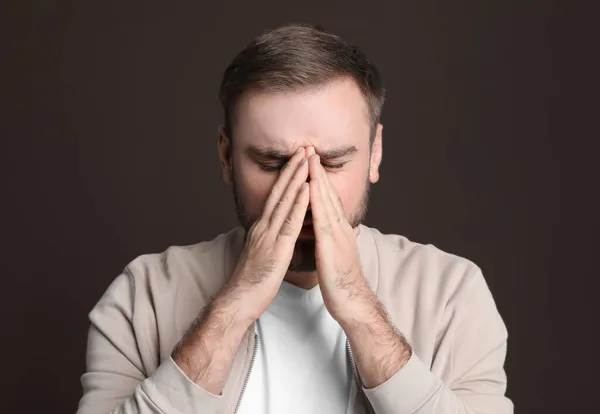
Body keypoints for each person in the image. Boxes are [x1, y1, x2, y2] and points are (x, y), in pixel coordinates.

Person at [77, 23, 513, 414]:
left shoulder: (452, 294)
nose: (305, 189)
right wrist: (235, 303)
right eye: (271, 163)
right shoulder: (145, 296)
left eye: (334, 161)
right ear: (226, 156)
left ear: (375, 153)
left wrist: (358, 306)